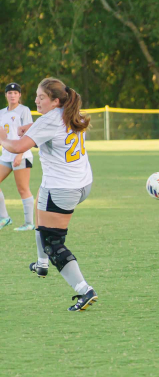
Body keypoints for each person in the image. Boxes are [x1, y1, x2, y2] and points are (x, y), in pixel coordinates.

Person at [0, 77, 97, 312]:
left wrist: (3, 137)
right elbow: (52, 131)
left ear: (55, 101)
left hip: (63, 188)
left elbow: (17, 147)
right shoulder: (71, 112)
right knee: (40, 203)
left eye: (41, 97)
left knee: (53, 242)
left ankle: (85, 290)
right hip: (83, 182)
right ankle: (41, 264)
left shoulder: (50, 120)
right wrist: (32, 128)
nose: (36, 100)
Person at [0, 83, 35, 231]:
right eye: (10, 93)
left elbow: (29, 133)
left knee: (22, 188)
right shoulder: (1, 112)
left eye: (15, 93)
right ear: (6, 95)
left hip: (21, 154)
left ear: (20, 95)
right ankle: (4, 217)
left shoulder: (24, 110)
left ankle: (29, 223)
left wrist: (20, 154)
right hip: (6, 155)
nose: (12, 95)